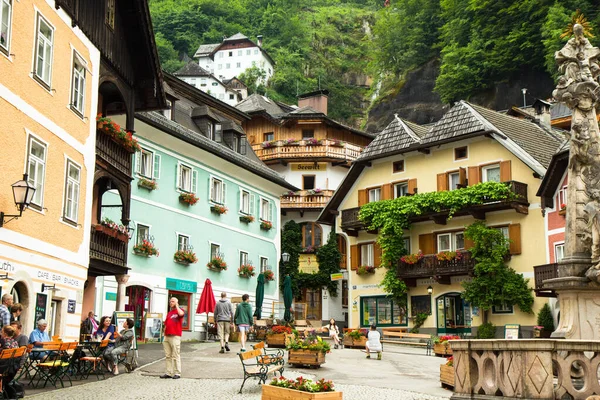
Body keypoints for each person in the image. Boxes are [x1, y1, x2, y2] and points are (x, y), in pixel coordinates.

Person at [161, 297, 184, 379]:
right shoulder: (170, 313)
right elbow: (166, 323)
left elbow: (181, 314)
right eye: (170, 301)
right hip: (167, 335)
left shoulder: (179, 311)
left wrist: (177, 306)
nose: (171, 303)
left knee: (175, 354)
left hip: (175, 335)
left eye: (173, 301)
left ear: (177, 303)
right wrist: (164, 333)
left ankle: (177, 372)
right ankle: (168, 372)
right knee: (168, 355)